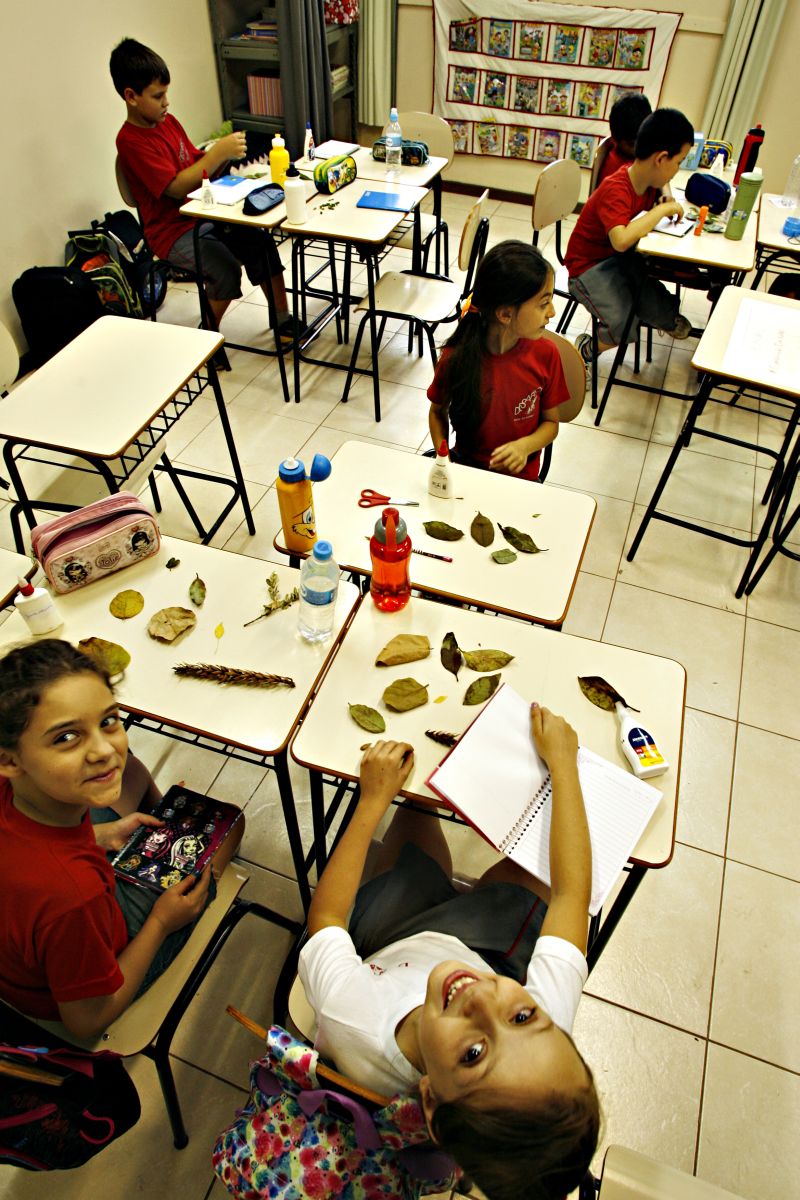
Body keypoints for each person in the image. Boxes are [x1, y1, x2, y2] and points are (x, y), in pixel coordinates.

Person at [299, 708, 600, 1200]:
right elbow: (571, 896)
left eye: (474, 1053)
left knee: (413, 832)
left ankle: (417, 833)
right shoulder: (549, 1041)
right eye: (522, 1016)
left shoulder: (355, 1021)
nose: (482, 1000)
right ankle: (467, 883)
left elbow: (327, 920)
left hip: (390, 949)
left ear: (431, 1102)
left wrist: (373, 799)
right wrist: (563, 765)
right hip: (472, 950)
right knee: (524, 881)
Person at [0, 640, 244, 1039]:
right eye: (65, 738)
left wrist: (98, 835)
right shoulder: (74, 897)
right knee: (230, 827)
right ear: (9, 760)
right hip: (75, 985)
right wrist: (162, 922)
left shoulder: (15, 788)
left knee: (129, 772)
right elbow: (87, 1021)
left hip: (37, 936)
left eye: (109, 721)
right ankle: (205, 886)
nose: (103, 750)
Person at [110, 38, 297, 339]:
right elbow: (174, 187)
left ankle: (283, 320)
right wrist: (218, 153)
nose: (166, 102)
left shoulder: (168, 122)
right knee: (224, 269)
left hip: (202, 213)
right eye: (158, 96)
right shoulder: (131, 142)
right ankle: (205, 339)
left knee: (258, 241)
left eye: (166, 94)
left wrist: (232, 165)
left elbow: (196, 165)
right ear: (131, 96)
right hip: (171, 230)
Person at [566, 107, 695, 379]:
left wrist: (666, 197)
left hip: (616, 261)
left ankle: (663, 316)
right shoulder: (617, 187)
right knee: (625, 326)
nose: (677, 170)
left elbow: (663, 185)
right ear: (661, 158)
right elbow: (622, 240)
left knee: (657, 302)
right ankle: (585, 351)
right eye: (678, 162)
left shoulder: (646, 177)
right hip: (588, 268)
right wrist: (659, 211)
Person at [427, 242, 571, 482]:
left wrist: (525, 446)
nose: (552, 312)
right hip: (466, 472)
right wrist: (444, 458)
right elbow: (437, 412)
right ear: (505, 314)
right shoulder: (458, 356)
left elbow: (551, 423)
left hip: (519, 480)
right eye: (544, 303)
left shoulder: (546, 354)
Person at [597, 93, 653, 186]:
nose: (640, 148)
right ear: (615, 140)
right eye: (632, 145)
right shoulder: (615, 173)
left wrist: (666, 193)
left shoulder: (643, 153)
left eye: (644, 140)